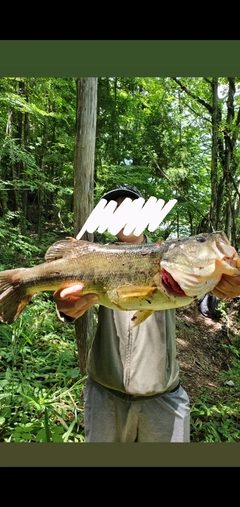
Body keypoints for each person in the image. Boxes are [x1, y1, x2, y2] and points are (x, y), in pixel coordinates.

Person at [53, 184, 240, 442]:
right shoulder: (95, 257)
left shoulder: (174, 256)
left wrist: (228, 287)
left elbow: (207, 297)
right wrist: (65, 310)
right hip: (104, 397)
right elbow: (69, 303)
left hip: (163, 400)